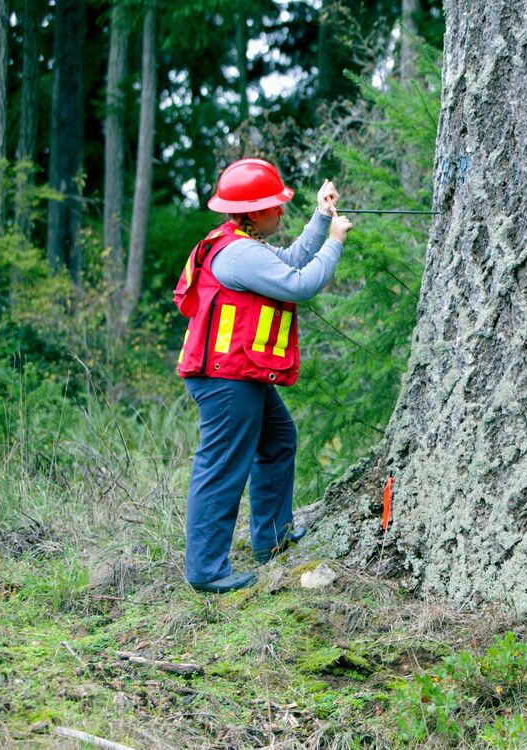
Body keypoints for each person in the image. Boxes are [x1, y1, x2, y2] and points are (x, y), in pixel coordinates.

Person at [172, 157, 353, 593]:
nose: (281, 211)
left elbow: (289, 259)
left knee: (277, 439)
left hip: (236, 373)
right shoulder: (240, 254)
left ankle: (272, 540)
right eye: (275, 206)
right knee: (222, 467)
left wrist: (320, 216)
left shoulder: (239, 242)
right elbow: (299, 283)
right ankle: (206, 571)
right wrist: (334, 242)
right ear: (252, 214)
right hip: (225, 380)